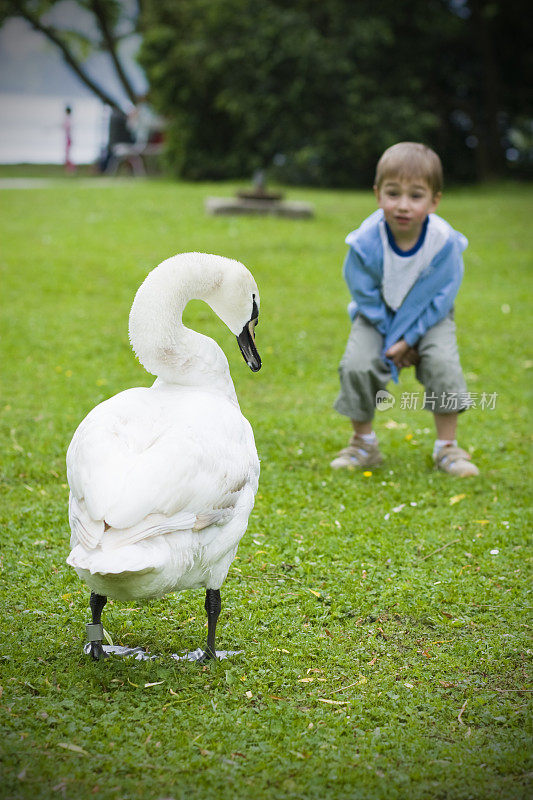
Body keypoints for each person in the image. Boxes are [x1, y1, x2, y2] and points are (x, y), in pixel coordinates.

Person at [331, 142, 479, 477]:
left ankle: (448, 449)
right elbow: (362, 291)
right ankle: (363, 443)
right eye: (392, 193)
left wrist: (410, 337)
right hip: (378, 318)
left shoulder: (444, 242)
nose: (402, 205)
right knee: (357, 364)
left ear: (434, 200)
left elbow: (443, 296)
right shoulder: (366, 240)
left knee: (442, 362)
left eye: (415, 196)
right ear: (377, 193)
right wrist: (391, 335)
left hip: (430, 318)